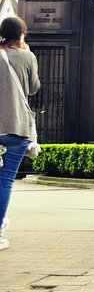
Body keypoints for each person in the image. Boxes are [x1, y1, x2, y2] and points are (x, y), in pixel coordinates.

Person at [0, 17, 41, 251]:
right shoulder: (27, 56)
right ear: (22, 35)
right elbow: (34, 88)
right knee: (5, 180)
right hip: (16, 128)